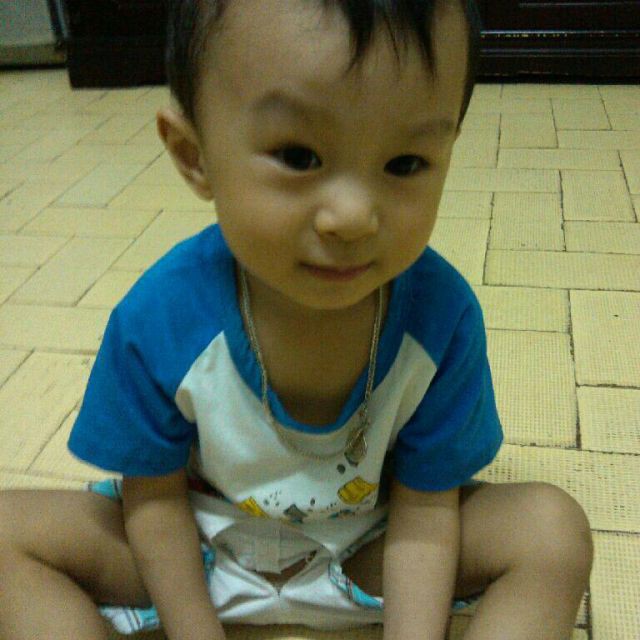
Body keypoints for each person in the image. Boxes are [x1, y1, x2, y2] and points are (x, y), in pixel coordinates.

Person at [0, 1, 593, 639]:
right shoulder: (159, 318)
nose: (352, 217)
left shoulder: (441, 318)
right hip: (197, 543)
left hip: (372, 546)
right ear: (195, 156)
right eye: (298, 155)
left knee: (551, 532)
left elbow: (426, 509)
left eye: (404, 164)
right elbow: (154, 500)